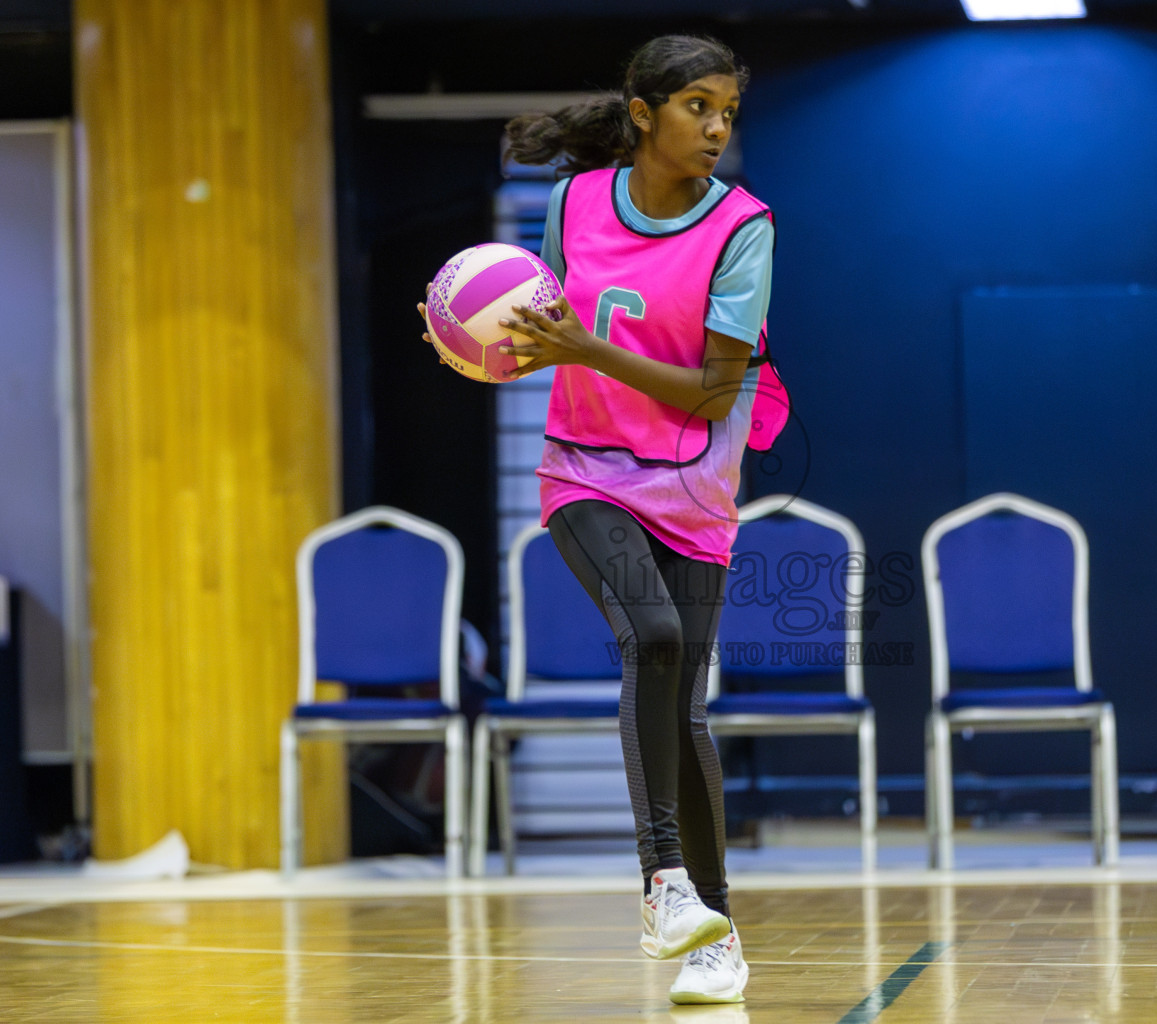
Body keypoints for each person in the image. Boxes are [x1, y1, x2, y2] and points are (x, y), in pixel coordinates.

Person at [422, 34, 776, 1005]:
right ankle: (663, 881)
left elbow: (710, 395)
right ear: (643, 111)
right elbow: (543, 333)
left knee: (689, 711)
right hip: (585, 474)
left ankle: (714, 933)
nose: (715, 128)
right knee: (651, 638)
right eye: (698, 106)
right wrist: (489, 346)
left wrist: (587, 346)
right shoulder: (574, 205)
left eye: (728, 114)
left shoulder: (744, 227)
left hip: (696, 486)